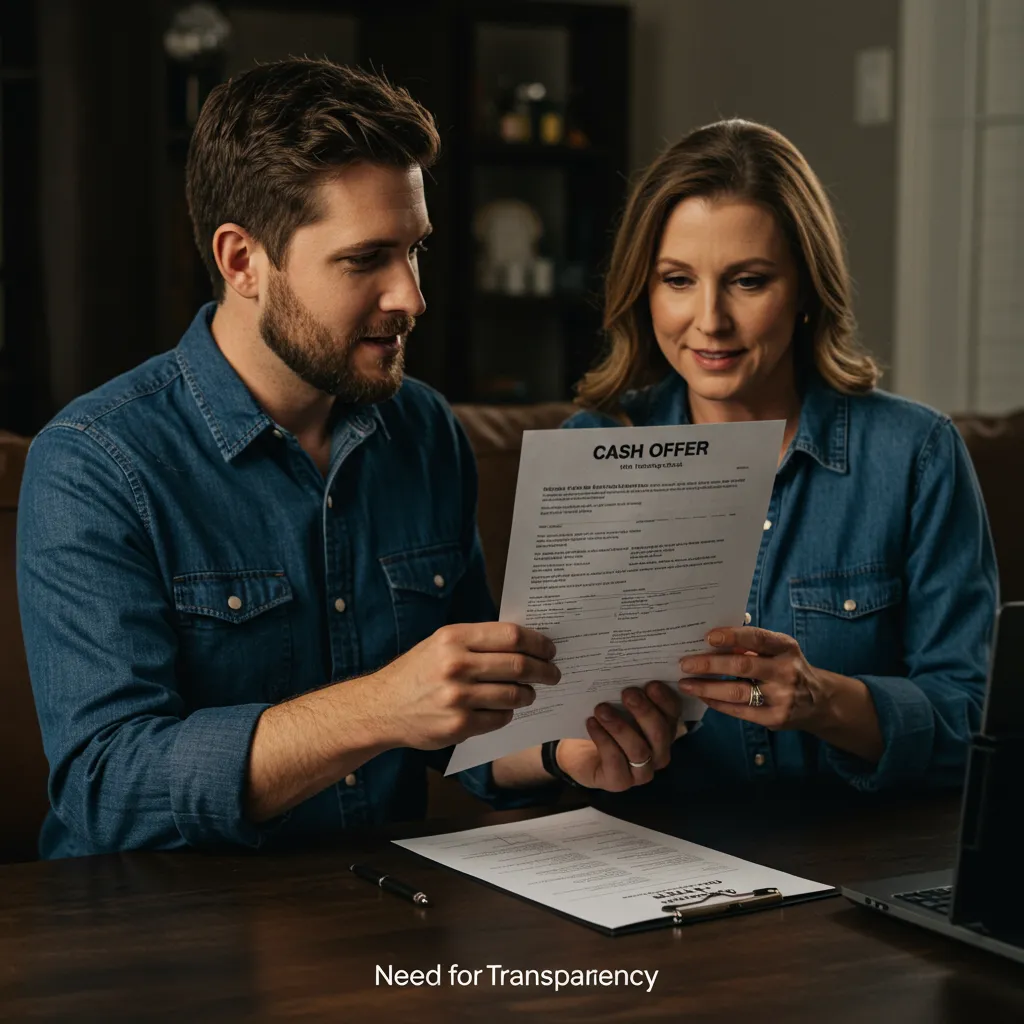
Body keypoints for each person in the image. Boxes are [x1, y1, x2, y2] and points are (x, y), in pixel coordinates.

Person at [16, 59, 682, 859]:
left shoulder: (425, 429)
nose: (411, 297)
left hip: (379, 897)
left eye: (415, 250)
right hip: (160, 915)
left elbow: (465, 725)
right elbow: (107, 786)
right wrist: (378, 708)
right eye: (365, 259)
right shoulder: (94, 464)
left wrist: (557, 751)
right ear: (242, 261)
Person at [562, 118, 997, 794]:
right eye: (678, 280)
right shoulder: (593, 450)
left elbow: (975, 724)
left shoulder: (916, 455)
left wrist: (825, 701)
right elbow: (525, 724)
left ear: (805, 291)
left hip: (853, 846)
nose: (710, 320)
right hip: (653, 845)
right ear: (644, 290)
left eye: (748, 281)